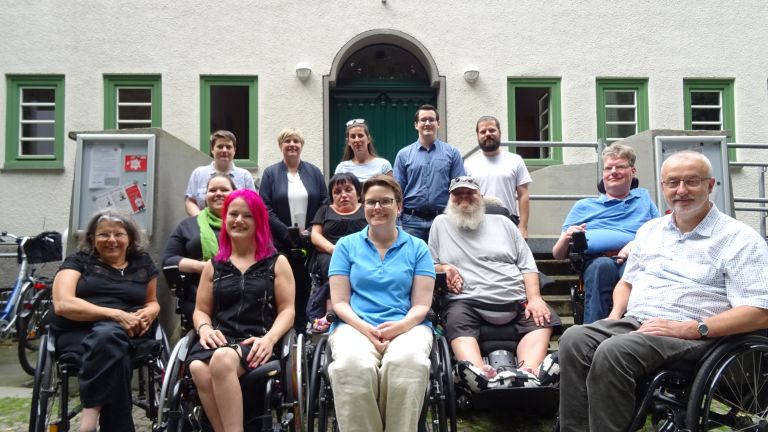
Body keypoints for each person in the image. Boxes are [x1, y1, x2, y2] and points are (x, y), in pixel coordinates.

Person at [558, 151, 768, 432]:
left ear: (710, 185)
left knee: (614, 351)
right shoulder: (650, 231)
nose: (681, 190)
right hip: (641, 322)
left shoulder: (738, 239)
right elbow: (627, 282)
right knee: (574, 338)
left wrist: (693, 328)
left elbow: (760, 311)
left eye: (691, 181)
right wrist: (613, 316)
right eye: (673, 183)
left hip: (702, 333)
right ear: (662, 187)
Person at [328, 175, 435, 432]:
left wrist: (398, 328)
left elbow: (421, 304)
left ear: (399, 206)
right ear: (363, 206)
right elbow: (340, 302)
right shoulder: (345, 246)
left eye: (385, 202)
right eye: (371, 202)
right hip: (354, 325)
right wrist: (367, 329)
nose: (377, 208)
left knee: (408, 363)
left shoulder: (418, 248)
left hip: (407, 326)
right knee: (351, 366)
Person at [429, 176, 561, 380]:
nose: (464, 198)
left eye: (470, 193)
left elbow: (527, 265)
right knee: (455, 319)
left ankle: (529, 371)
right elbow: (430, 264)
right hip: (466, 301)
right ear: (450, 198)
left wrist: (535, 298)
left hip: (515, 299)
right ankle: (481, 373)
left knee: (543, 318)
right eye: (457, 194)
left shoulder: (504, 223)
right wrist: (444, 267)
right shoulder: (440, 224)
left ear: (481, 197)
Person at [187, 189, 295, 432]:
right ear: (225, 220)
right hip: (219, 339)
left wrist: (270, 339)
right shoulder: (214, 266)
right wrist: (204, 328)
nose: (238, 220)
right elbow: (201, 310)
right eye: (233, 214)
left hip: (258, 340)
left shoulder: (277, 262)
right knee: (196, 367)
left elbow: (288, 310)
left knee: (223, 360)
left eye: (247, 215)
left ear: (259, 221)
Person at [51, 210, 160, 432]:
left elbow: (152, 301)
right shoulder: (78, 262)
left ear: (129, 238)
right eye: (103, 235)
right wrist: (114, 314)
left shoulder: (142, 263)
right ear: (92, 238)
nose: (111, 240)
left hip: (131, 332)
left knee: (112, 338)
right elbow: (63, 303)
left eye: (118, 234)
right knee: (111, 339)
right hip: (79, 332)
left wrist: (152, 311)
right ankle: (94, 421)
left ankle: (88, 419)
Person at [551, 143, 659, 323]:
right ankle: (593, 333)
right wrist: (566, 236)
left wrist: (635, 244)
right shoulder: (584, 206)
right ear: (603, 174)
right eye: (608, 168)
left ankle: (636, 329)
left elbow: (661, 233)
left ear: (633, 171)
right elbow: (558, 254)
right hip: (596, 261)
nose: (613, 171)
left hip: (636, 257)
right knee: (603, 266)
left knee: (633, 270)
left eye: (620, 167)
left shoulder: (644, 200)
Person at [259, 128, 327, 330]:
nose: (292, 144)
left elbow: (324, 202)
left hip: (309, 241)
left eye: (296, 141)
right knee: (282, 288)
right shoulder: (271, 173)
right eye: (287, 141)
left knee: (305, 287)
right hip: (280, 243)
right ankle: (282, 331)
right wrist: (286, 232)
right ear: (281, 145)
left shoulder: (314, 172)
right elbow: (265, 206)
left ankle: (302, 331)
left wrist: (313, 228)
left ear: (301, 146)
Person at [163, 174, 235, 328]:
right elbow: (169, 260)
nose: (218, 193)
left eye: (224, 189)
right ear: (205, 195)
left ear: (235, 194)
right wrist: (203, 267)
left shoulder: (246, 224)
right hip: (198, 296)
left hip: (241, 294)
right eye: (212, 190)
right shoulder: (187, 226)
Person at [393, 104, 465, 241]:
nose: (427, 123)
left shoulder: (452, 153)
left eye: (431, 120)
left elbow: (459, 188)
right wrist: (397, 221)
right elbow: (397, 191)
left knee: (442, 259)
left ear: (438, 124)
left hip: (442, 219)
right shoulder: (403, 155)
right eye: (423, 120)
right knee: (411, 260)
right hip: (410, 221)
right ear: (416, 125)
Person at [307, 173, 367, 331]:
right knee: (333, 266)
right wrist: (335, 250)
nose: (343, 195)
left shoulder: (367, 209)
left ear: (358, 192)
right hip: (330, 252)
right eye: (337, 192)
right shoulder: (324, 210)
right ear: (332, 196)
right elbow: (315, 235)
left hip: (363, 252)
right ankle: (330, 313)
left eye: (348, 189)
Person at [463, 115, 532, 238]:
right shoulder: (468, 164)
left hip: (509, 222)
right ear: (477, 135)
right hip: (478, 224)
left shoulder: (515, 160)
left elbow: (523, 195)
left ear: (499, 132)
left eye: (492, 130)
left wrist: (523, 227)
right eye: (483, 131)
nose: (487, 134)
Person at [185, 130, 256, 216]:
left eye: (228, 147)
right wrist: (201, 220)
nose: (224, 150)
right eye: (220, 146)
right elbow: (190, 201)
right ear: (212, 150)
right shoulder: (199, 174)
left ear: (234, 151)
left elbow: (253, 204)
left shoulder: (245, 176)